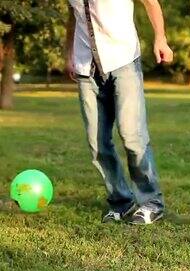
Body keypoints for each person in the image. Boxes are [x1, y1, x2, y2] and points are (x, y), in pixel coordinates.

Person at [65, 0, 173, 225]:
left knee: (132, 135)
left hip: (123, 60)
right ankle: (121, 202)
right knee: (97, 144)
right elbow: (73, 15)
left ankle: (151, 202)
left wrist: (160, 38)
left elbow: (150, 2)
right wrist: (69, 53)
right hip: (87, 66)